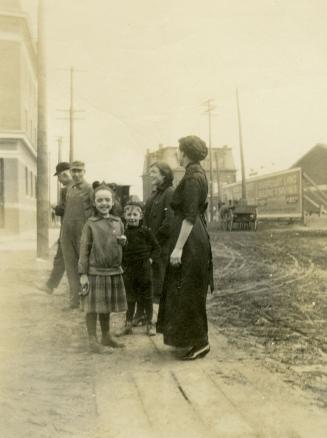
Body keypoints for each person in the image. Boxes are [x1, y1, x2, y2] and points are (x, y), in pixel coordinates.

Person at [157, 135, 214, 360]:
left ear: (185, 153)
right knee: (185, 289)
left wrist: (178, 248)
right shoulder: (197, 173)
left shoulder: (192, 177)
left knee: (189, 291)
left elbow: (189, 217)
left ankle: (201, 343)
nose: (177, 155)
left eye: (178, 152)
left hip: (191, 240)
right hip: (193, 236)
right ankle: (190, 339)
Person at [78, 182, 127, 353]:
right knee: (92, 307)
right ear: (94, 203)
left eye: (107, 200)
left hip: (112, 271)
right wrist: (83, 274)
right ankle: (93, 340)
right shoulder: (90, 224)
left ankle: (106, 336)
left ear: (113, 202)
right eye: (100, 200)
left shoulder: (118, 222)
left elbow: (119, 243)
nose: (104, 203)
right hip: (95, 272)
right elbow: (84, 250)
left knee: (105, 305)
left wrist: (123, 242)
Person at [132, 161, 174, 326]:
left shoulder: (169, 193)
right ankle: (142, 314)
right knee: (145, 280)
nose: (151, 175)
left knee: (161, 283)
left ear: (164, 175)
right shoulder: (154, 195)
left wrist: (152, 243)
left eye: (154, 172)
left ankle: (163, 319)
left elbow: (169, 223)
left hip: (161, 248)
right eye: (150, 172)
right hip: (149, 246)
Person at [120, 201, 160, 336]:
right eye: (129, 214)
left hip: (144, 269)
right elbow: (120, 251)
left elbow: (156, 248)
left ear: (141, 216)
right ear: (124, 216)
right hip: (129, 270)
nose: (132, 217)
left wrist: (150, 259)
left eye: (135, 214)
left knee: (147, 297)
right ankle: (128, 324)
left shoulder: (146, 232)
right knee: (130, 298)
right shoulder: (123, 233)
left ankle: (150, 324)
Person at [60, 161, 93, 310]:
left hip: (82, 233)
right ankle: (74, 300)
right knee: (70, 267)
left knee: (83, 267)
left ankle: (86, 301)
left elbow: (94, 212)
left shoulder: (90, 189)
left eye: (79, 171)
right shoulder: (69, 189)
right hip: (67, 232)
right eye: (74, 171)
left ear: (84, 171)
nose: (76, 174)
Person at [40, 162, 72, 294]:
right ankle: (51, 285)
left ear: (64, 174)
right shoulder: (76, 188)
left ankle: (50, 286)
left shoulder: (68, 189)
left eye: (59, 176)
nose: (59, 180)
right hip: (71, 230)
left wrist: (55, 207)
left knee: (61, 258)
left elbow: (67, 210)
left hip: (68, 231)